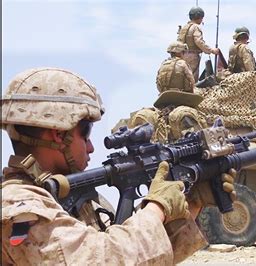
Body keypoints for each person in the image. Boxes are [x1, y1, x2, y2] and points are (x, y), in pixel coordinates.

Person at [1, 67, 236, 265]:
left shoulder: (78, 202)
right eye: (86, 133)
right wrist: (157, 208)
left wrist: (191, 204)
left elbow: (136, 257)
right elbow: (102, 260)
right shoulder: (19, 208)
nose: (92, 147)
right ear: (58, 134)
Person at [178, 6, 220, 81]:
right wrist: (211, 50)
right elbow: (199, 41)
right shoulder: (195, 27)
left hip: (181, 55)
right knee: (192, 78)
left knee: (183, 77)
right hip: (192, 56)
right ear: (199, 16)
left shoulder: (184, 28)